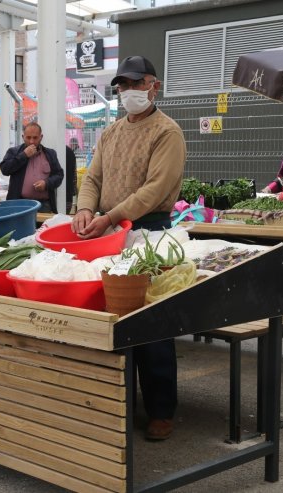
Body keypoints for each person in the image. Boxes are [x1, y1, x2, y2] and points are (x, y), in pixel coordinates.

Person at [72, 55, 186, 441]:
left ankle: (161, 410)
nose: (129, 92)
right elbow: (93, 178)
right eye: (123, 85)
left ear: (154, 85)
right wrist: (86, 209)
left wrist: (111, 215)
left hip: (149, 232)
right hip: (109, 232)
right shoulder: (110, 132)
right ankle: (116, 403)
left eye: (137, 84)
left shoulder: (167, 132)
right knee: (112, 317)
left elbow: (155, 189)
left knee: (152, 321)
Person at [0, 122, 64, 213]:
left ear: (41, 137)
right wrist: (24, 155)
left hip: (44, 205)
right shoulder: (14, 152)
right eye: (28, 137)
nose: (32, 141)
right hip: (19, 204)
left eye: (35, 137)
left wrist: (46, 183)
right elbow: (5, 169)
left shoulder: (50, 154)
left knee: (43, 227)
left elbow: (59, 175)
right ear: (23, 137)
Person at [65, 142, 77, 213]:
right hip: (68, 197)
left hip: (52, 200)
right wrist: (74, 192)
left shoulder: (49, 152)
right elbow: (74, 177)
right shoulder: (70, 152)